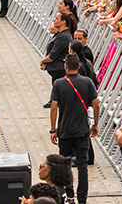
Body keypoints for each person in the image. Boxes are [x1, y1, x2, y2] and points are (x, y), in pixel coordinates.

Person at [50, 54, 99, 204]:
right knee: (83, 164)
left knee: (65, 163)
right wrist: (95, 124)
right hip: (82, 130)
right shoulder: (87, 82)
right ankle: (82, 197)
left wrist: (53, 129)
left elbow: (53, 107)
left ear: (65, 66)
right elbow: (96, 104)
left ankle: (69, 194)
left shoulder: (59, 83)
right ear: (78, 66)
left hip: (64, 130)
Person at [41, 13, 74, 107]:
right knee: (56, 85)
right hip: (56, 68)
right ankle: (54, 100)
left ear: (63, 22)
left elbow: (53, 55)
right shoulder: (60, 33)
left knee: (59, 86)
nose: (54, 20)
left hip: (59, 67)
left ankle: (55, 102)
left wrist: (43, 61)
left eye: (56, 19)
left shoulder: (64, 36)